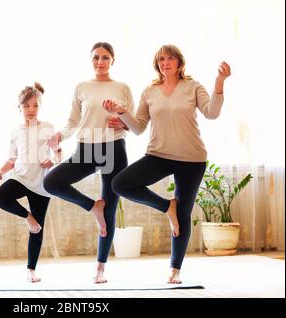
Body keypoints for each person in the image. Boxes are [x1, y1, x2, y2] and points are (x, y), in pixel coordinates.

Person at [103, 44, 231, 284]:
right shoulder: (150, 91)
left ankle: (175, 269)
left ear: (179, 63)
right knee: (120, 183)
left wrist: (219, 82)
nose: (165, 62)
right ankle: (166, 207)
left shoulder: (193, 87)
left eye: (170, 58)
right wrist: (122, 112)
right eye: (161, 59)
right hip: (158, 155)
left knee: (183, 213)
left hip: (191, 159)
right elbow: (139, 127)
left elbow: (212, 113)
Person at [43, 42, 134, 283]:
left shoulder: (122, 88)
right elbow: (73, 121)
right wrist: (59, 135)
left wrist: (122, 123)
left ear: (113, 60)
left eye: (105, 58)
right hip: (86, 148)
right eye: (96, 58)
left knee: (111, 210)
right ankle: (93, 206)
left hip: (114, 148)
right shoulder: (81, 87)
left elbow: (134, 123)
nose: (100, 62)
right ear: (91, 60)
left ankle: (100, 269)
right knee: (51, 181)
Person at [0, 82, 61, 283]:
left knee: (39, 228)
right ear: (19, 107)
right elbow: (11, 160)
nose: (31, 110)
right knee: (0, 196)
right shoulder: (15, 131)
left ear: (40, 106)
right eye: (26, 106)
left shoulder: (48, 128)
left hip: (41, 183)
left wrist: (53, 160)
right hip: (21, 177)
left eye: (35, 105)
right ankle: (28, 217)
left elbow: (57, 154)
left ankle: (31, 270)